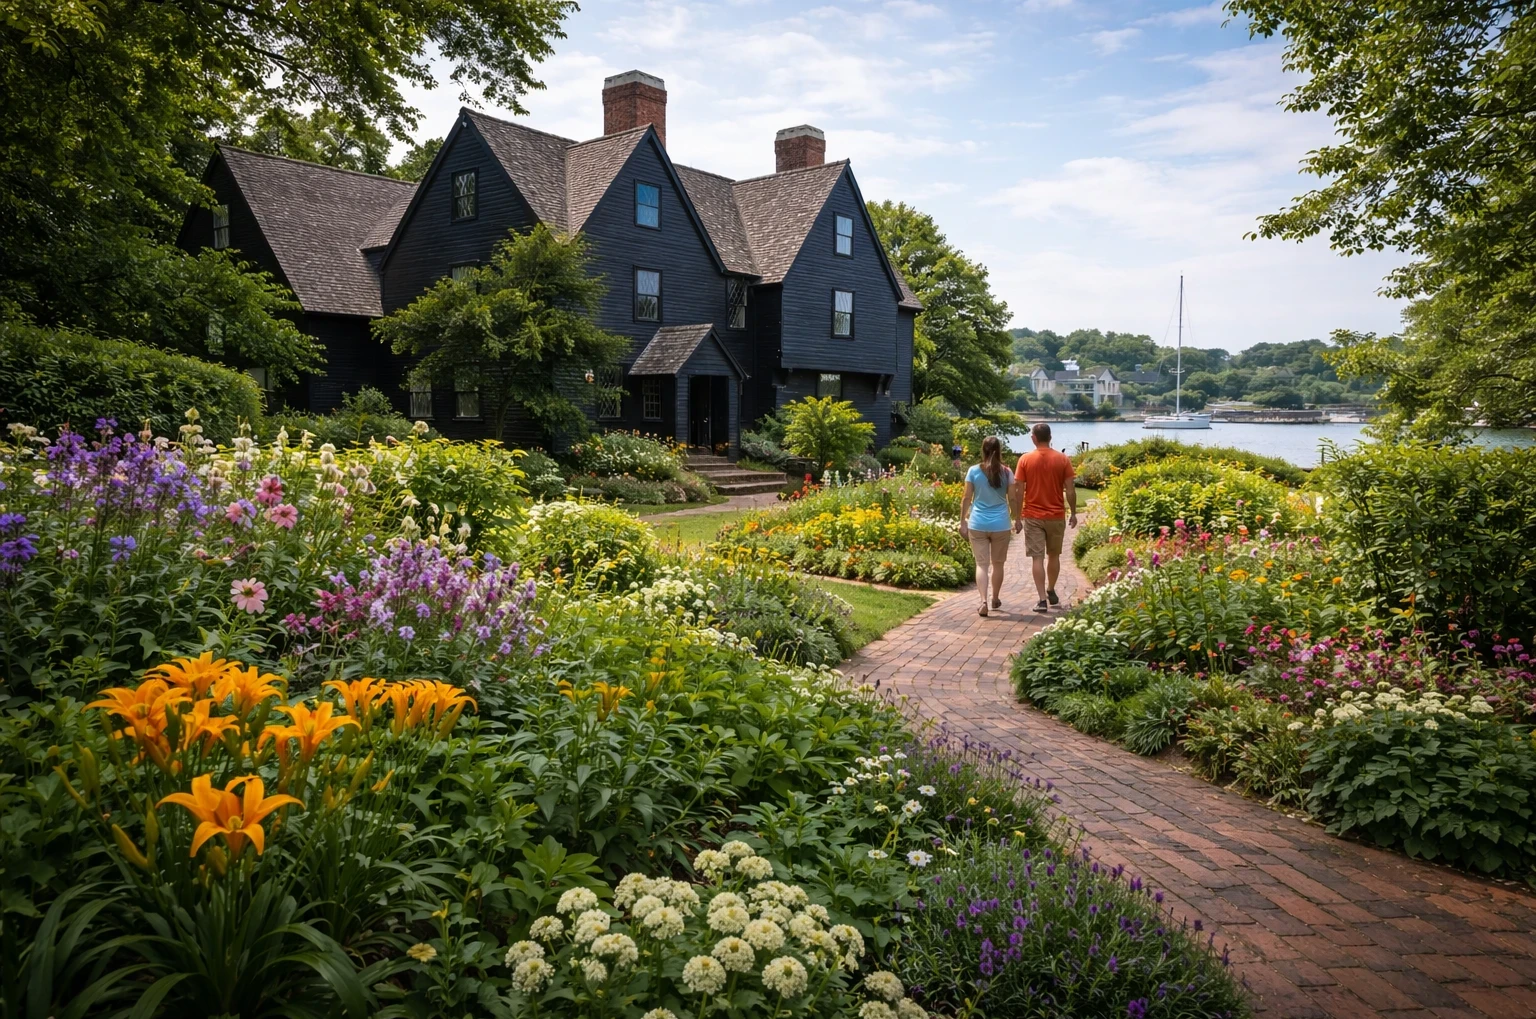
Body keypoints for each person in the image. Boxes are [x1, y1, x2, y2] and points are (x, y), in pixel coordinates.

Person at [1014, 422, 1077, 613]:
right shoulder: (1062, 459)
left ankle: (1042, 599)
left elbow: (1019, 490)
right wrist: (1073, 513)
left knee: (1037, 558)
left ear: (1034, 438)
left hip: (1033, 515)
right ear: (1050, 438)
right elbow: (1070, 490)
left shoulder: (1025, 460)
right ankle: (1050, 589)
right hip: (1056, 514)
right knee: (1054, 555)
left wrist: (1017, 516)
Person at [959, 435, 1023, 617]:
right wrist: (1017, 518)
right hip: (1000, 524)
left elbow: (966, 498)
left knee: (981, 564)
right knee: (998, 564)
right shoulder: (1007, 472)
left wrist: (962, 520)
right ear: (999, 450)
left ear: (983, 450)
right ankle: (995, 598)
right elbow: (1012, 498)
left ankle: (983, 601)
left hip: (978, 522)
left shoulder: (973, 471)